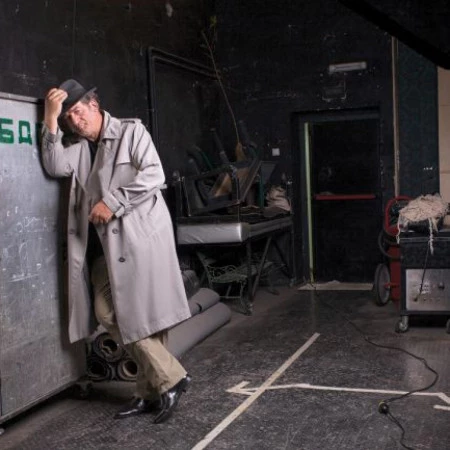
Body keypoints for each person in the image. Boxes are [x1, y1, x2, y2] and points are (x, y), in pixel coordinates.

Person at [41, 79, 192, 424]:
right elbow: (54, 165)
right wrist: (50, 118)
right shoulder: (78, 148)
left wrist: (113, 202)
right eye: (68, 117)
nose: (74, 121)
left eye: (78, 112)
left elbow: (154, 174)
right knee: (107, 313)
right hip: (101, 250)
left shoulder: (130, 132)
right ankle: (171, 378)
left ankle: (148, 393)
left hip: (138, 240)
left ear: (94, 105)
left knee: (146, 317)